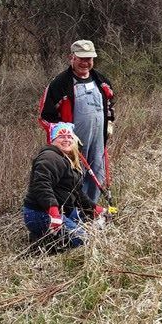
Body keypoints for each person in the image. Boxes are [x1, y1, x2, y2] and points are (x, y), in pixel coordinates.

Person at [38, 39, 115, 203]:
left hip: (98, 140)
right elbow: (45, 116)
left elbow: (110, 104)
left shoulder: (102, 82)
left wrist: (109, 125)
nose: (85, 63)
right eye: (81, 58)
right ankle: (70, 214)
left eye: (89, 59)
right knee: (72, 178)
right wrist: (63, 137)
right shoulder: (59, 84)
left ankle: (90, 212)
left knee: (97, 174)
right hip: (72, 145)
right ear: (71, 58)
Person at [22, 122, 105, 252]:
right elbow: (41, 185)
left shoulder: (66, 159)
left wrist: (96, 209)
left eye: (69, 136)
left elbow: (75, 192)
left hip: (62, 210)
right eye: (61, 136)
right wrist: (54, 215)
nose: (66, 139)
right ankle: (41, 244)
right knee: (82, 239)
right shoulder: (50, 157)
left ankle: (48, 235)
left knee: (93, 229)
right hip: (40, 213)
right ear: (53, 140)